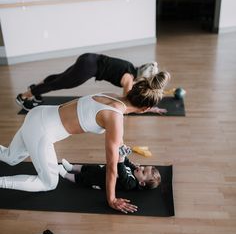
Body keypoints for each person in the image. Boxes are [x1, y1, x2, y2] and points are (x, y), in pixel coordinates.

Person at [0, 71, 170, 214]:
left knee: (10, 157)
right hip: (41, 131)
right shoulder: (115, 118)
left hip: (38, 114)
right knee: (49, 183)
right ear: (146, 109)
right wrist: (111, 199)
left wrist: (121, 146)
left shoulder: (111, 97)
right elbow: (111, 167)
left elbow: (116, 132)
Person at [15, 53, 164, 113]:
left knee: (61, 78)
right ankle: (23, 96)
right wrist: (149, 108)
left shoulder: (130, 67)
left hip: (88, 58)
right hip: (89, 67)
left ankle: (36, 89)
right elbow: (126, 103)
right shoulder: (129, 79)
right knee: (60, 83)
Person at [58, 148, 161, 191]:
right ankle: (71, 167)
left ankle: (65, 174)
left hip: (101, 180)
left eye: (143, 171)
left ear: (142, 183)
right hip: (103, 169)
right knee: (87, 167)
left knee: (83, 178)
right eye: (144, 167)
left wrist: (120, 160)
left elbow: (122, 174)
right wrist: (124, 155)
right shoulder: (135, 170)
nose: (141, 167)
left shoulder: (131, 183)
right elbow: (127, 163)